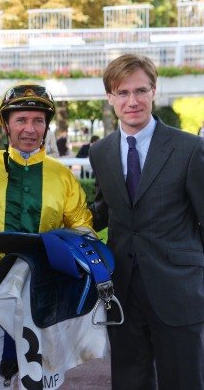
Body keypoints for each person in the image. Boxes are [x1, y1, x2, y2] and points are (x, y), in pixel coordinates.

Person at [89, 54, 204, 389]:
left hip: (179, 289)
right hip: (122, 290)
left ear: (154, 90)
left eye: (140, 90)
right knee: (129, 381)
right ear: (110, 97)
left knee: (184, 381)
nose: (133, 101)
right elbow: (103, 210)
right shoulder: (100, 152)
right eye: (123, 93)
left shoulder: (189, 148)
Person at [0, 84, 93, 390]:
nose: (30, 129)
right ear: (6, 124)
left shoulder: (62, 175)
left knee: (40, 372)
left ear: (46, 126)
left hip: (43, 279)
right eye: (21, 120)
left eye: (38, 120)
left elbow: (82, 228)